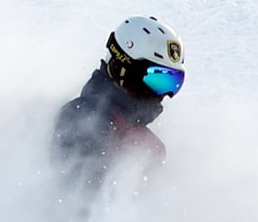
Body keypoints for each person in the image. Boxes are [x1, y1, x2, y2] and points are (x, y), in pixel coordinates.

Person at [51, 16, 186, 193]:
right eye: (157, 79)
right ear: (122, 68)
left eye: (173, 82)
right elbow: (71, 201)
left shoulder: (150, 147)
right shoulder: (81, 119)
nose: (164, 94)